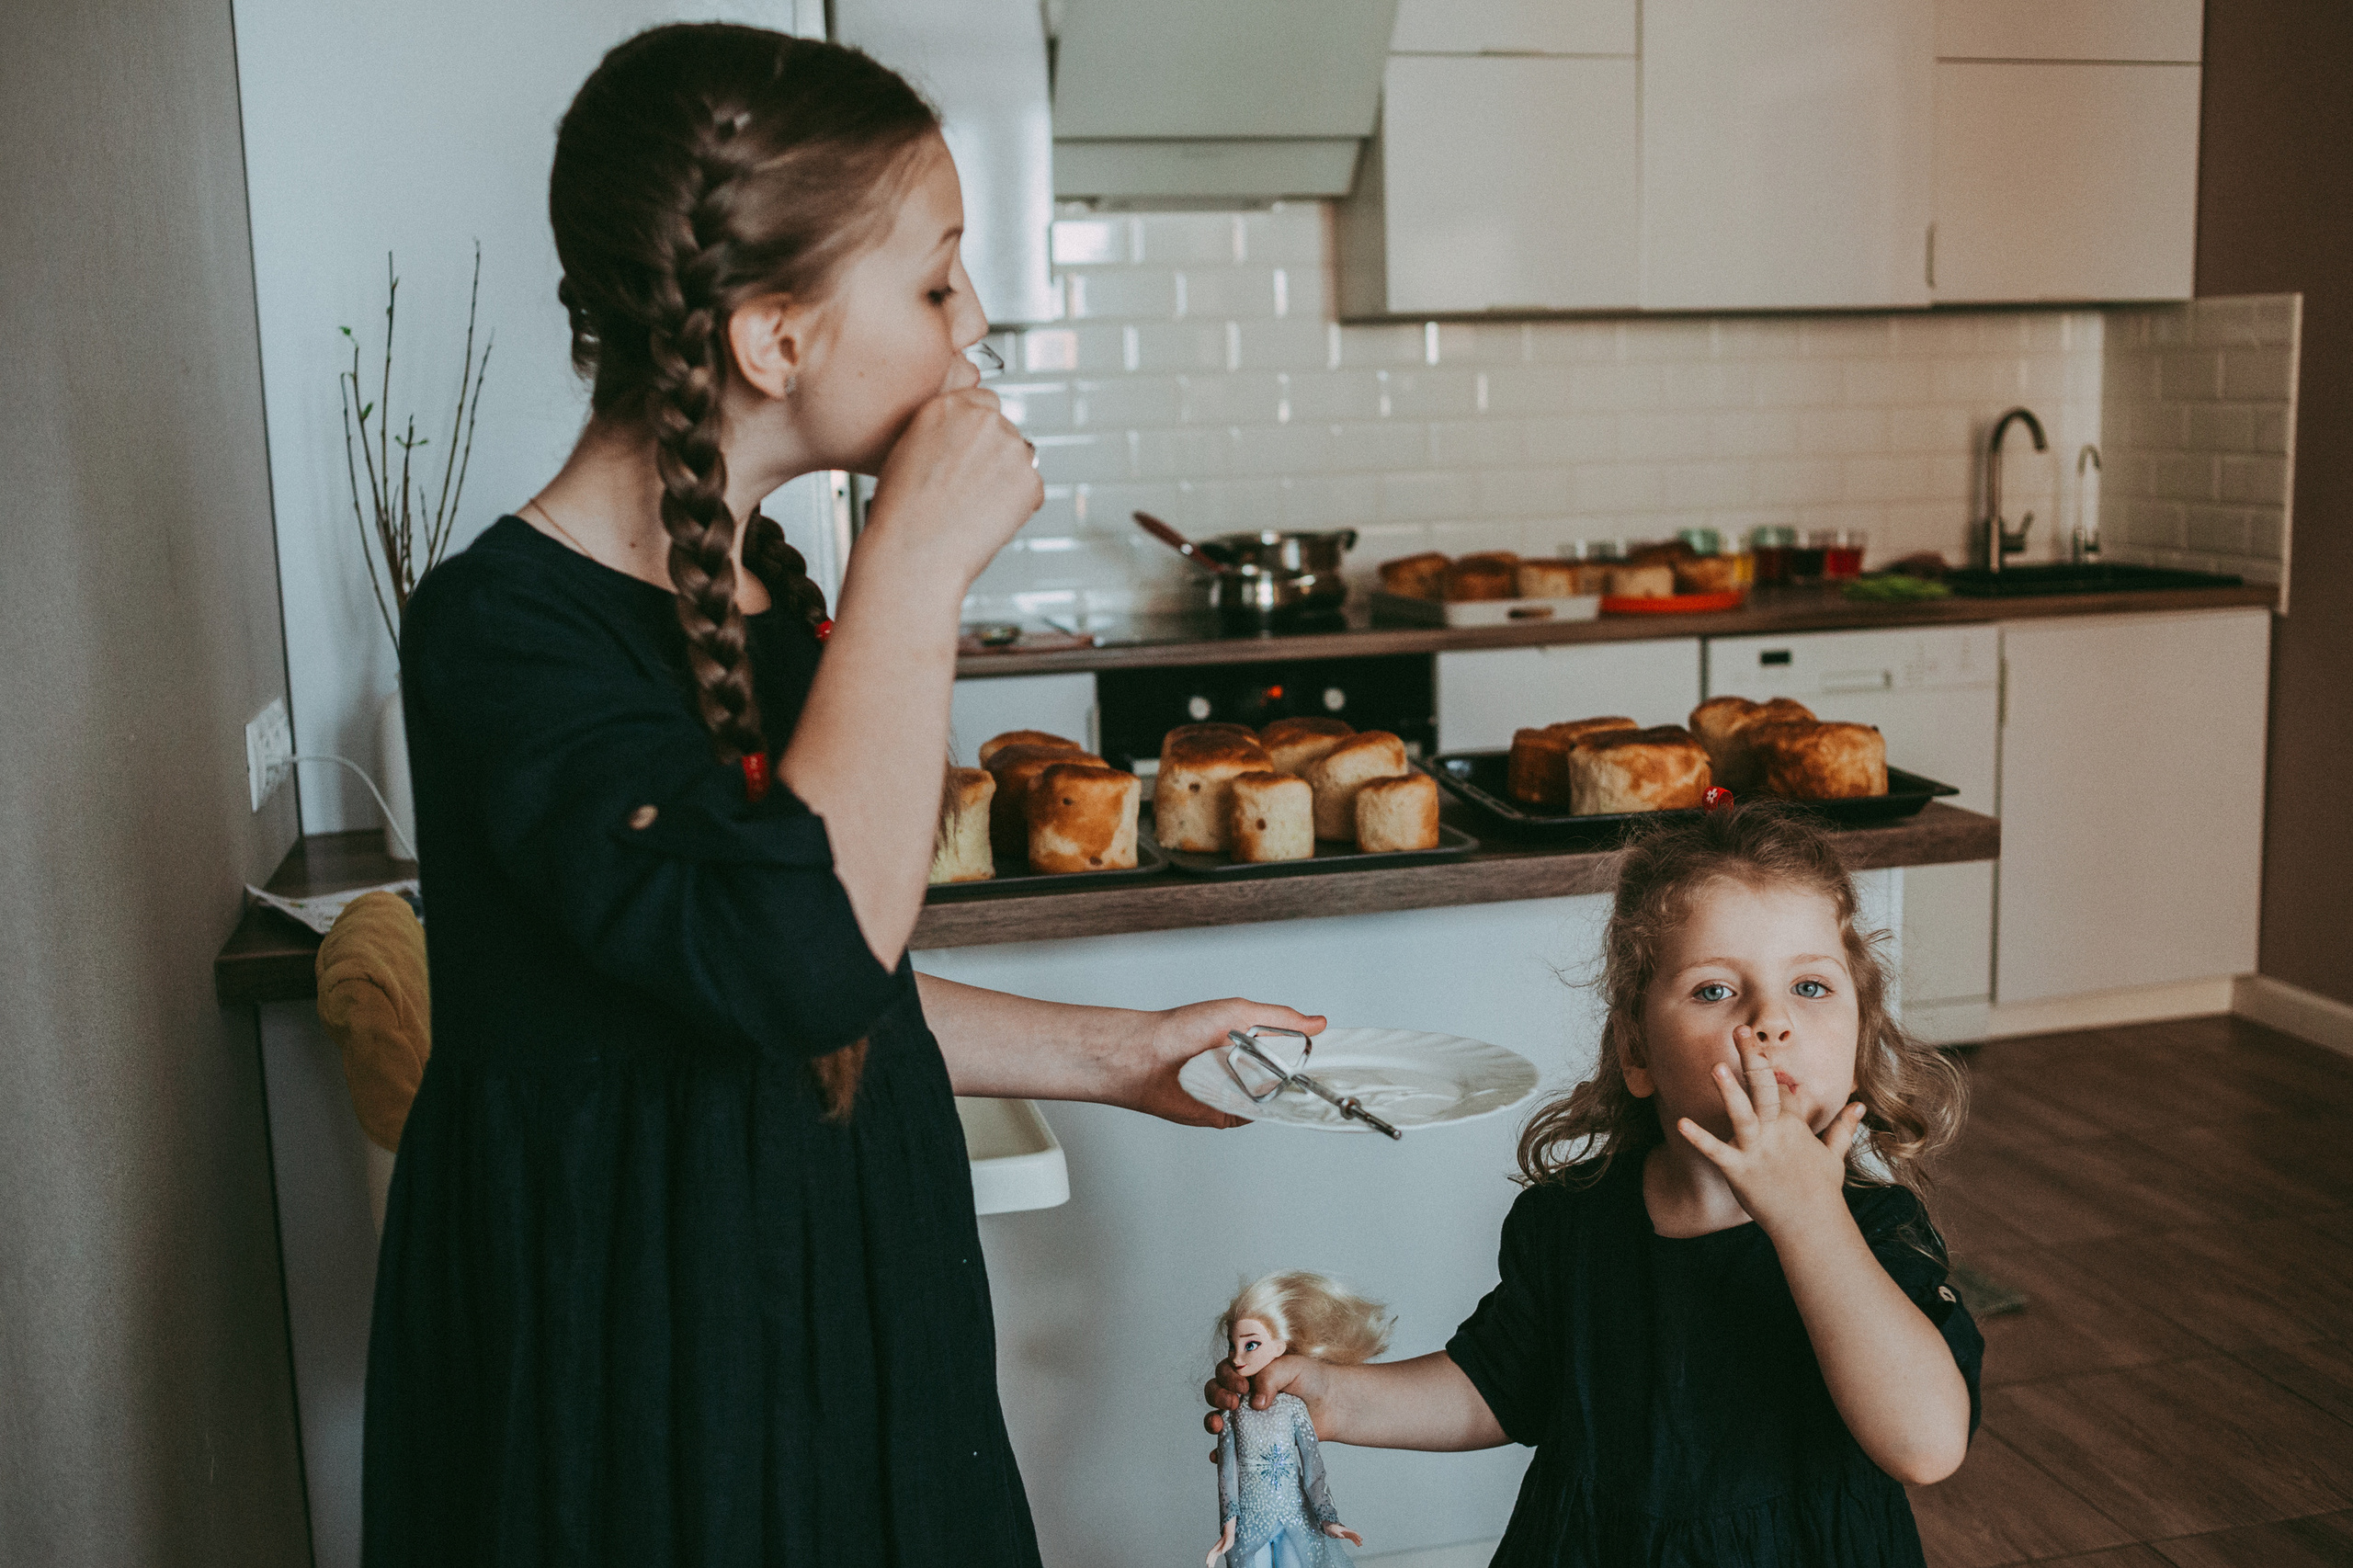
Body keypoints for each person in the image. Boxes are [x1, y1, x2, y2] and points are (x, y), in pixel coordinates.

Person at [367, 24, 1324, 1564]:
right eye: (940, 280)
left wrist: (1117, 1050)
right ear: (773, 336)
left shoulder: (767, 593)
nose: (979, 321)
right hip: (648, 1357)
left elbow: (824, 980)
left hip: (836, 1292)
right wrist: (919, 566)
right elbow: (792, 960)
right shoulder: (503, 630)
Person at [1203, 803, 1983, 1567]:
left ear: (1859, 1035)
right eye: (1715, 990)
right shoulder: (1571, 1221)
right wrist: (1336, 1399)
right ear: (1636, 1052)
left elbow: (1924, 1445)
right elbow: (1499, 1388)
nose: (1769, 1021)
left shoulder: (1878, 1233)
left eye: (1811, 988)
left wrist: (1811, 1218)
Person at [1207, 1272, 1388, 1568]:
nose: (1237, 1358)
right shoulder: (1232, 1412)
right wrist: (1228, 1528)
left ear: (1279, 1347)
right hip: (1251, 1524)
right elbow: (1227, 1476)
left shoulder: (1293, 1407)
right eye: (1232, 1346)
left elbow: (1313, 1468)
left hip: (1296, 1517)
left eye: (1250, 1345)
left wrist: (1329, 1519)